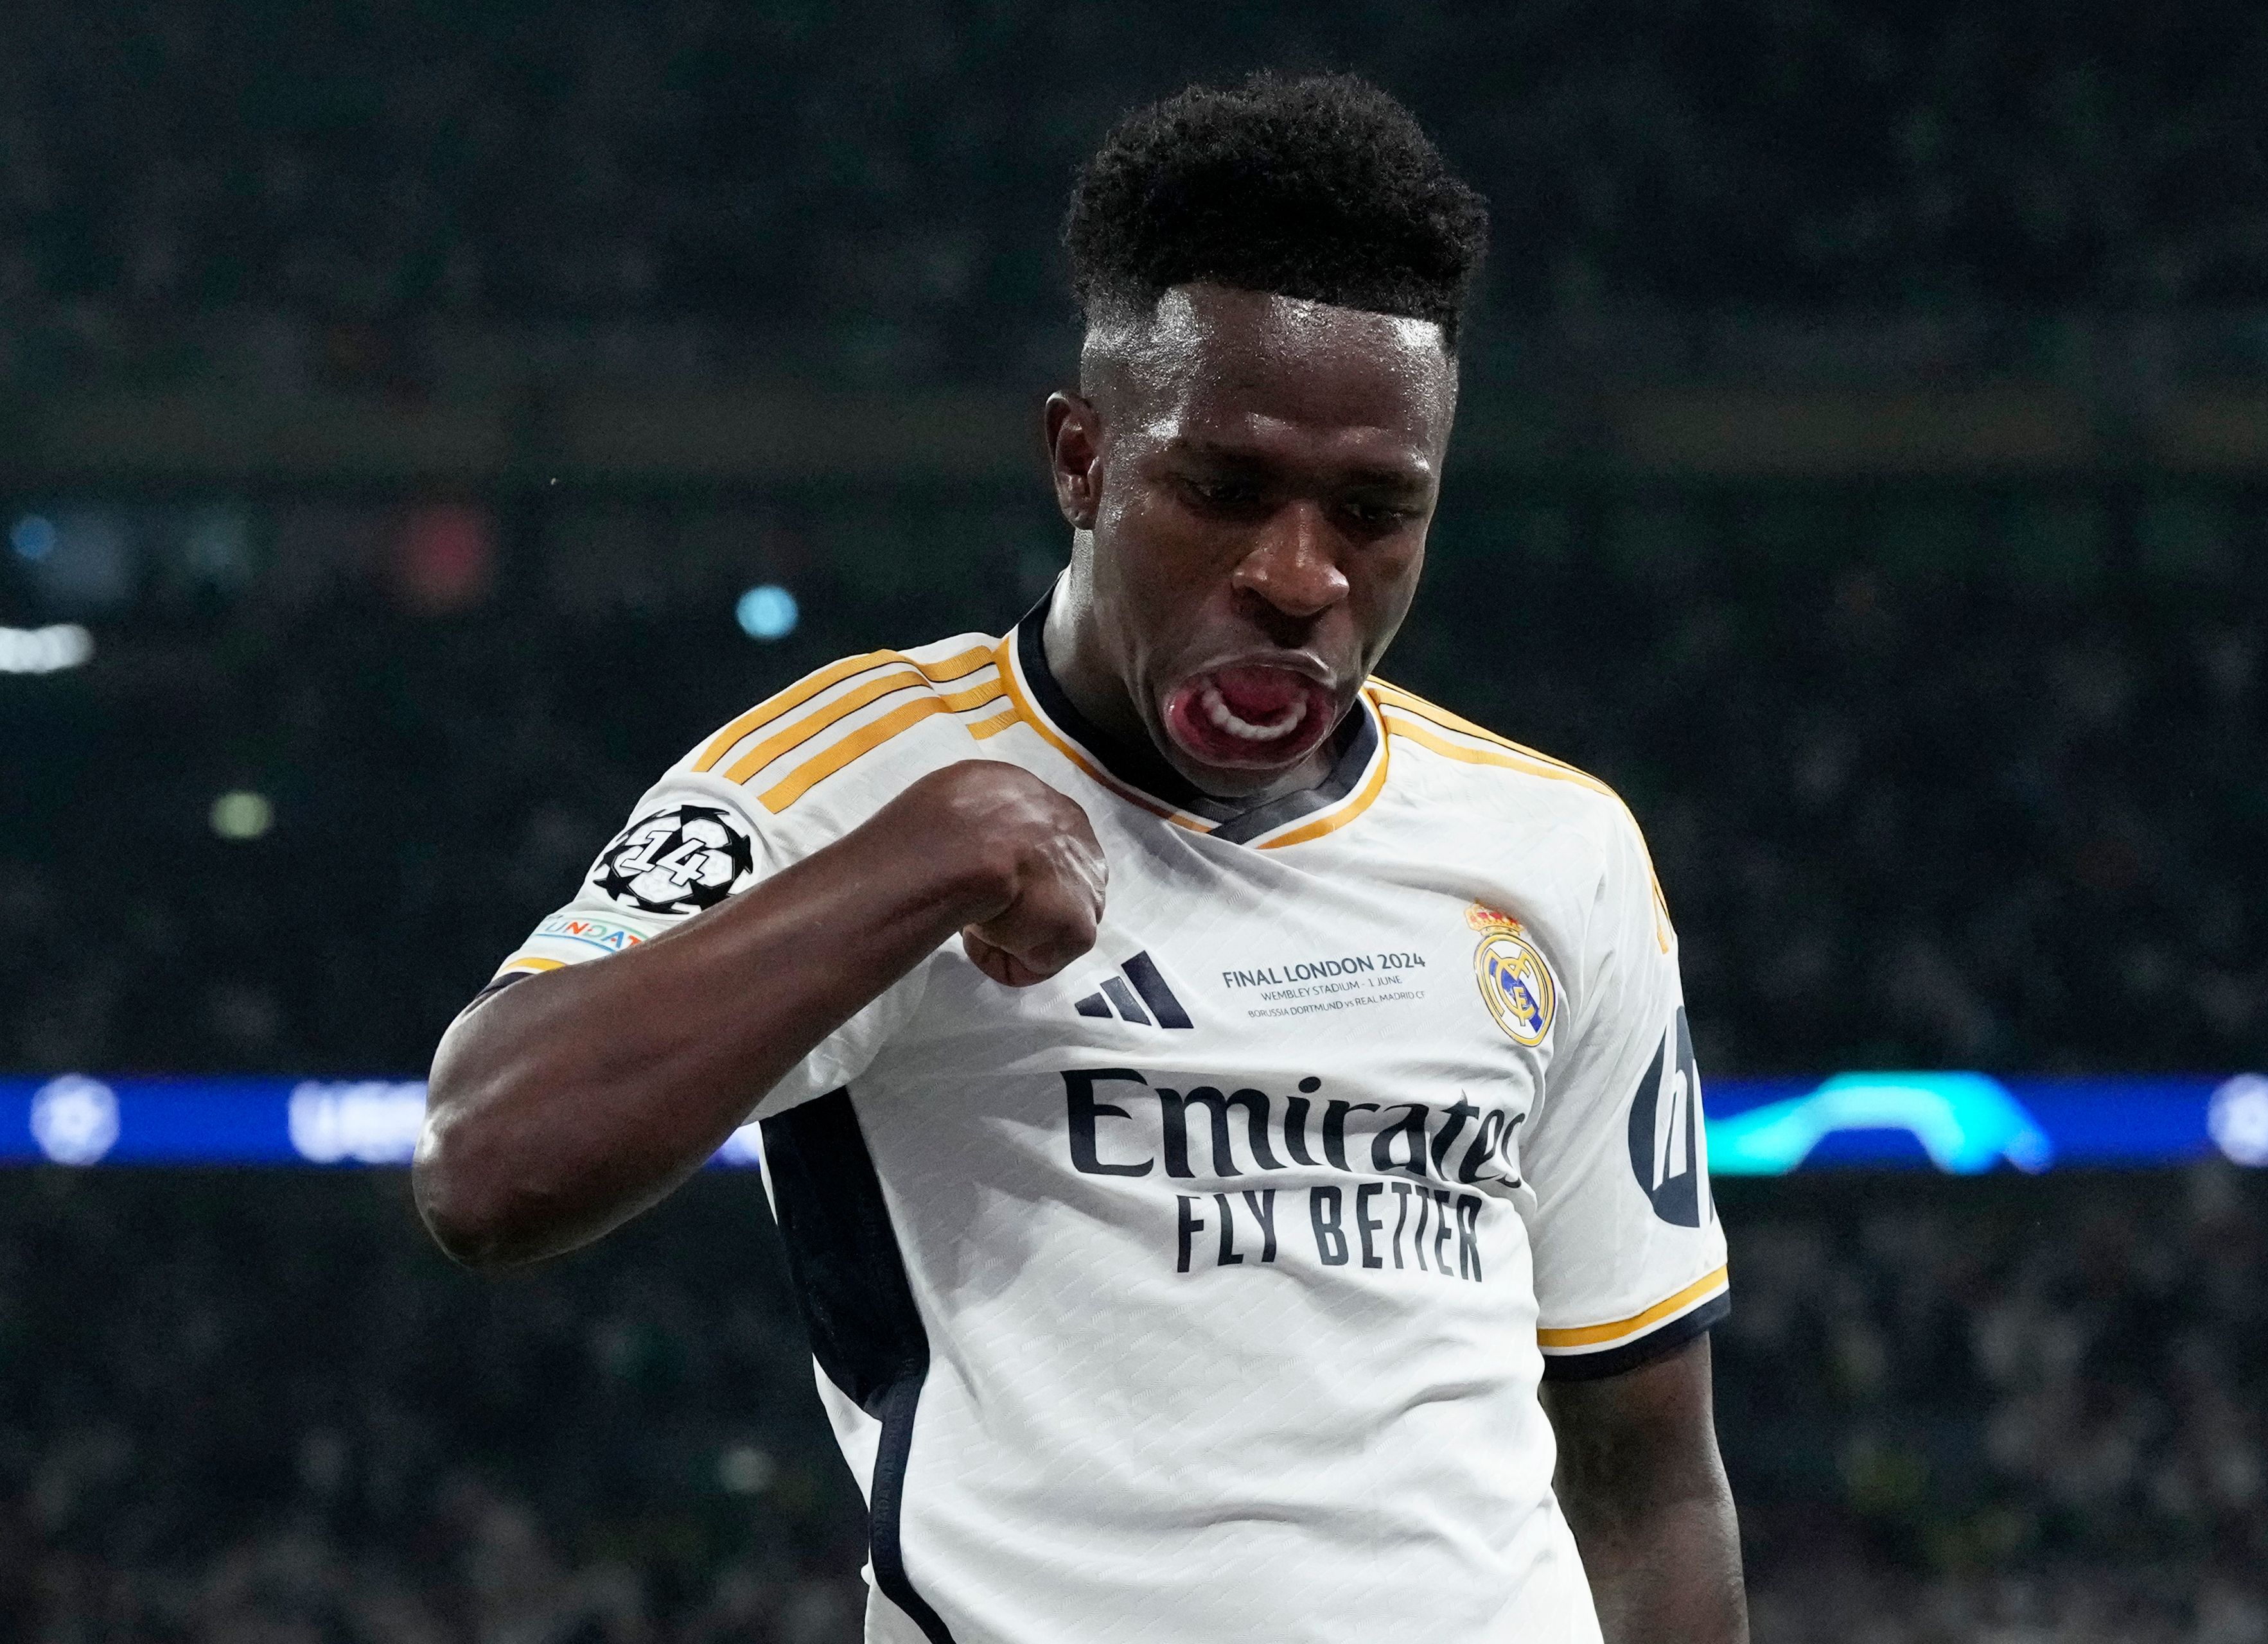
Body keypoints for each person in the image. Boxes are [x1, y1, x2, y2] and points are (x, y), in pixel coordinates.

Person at [418, 71, 1745, 1644]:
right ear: (1081, 458)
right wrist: (930, 856)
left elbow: (1650, 1478)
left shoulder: (1555, 848)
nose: (1299, 575)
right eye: (1225, 488)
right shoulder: (854, 780)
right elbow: (490, 1159)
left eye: (1377, 511)